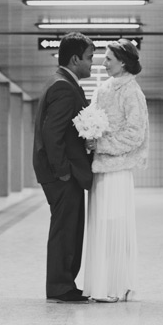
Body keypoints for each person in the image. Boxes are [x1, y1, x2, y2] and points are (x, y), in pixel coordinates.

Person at [83, 38, 149, 303]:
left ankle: (117, 285)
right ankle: (100, 285)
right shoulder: (102, 89)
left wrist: (102, 143)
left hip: (118, 171)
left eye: (109, 58)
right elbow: (92, 118)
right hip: (99, 170)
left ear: (123, 61)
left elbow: (135, 134)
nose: (103, 62)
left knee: (115, 226)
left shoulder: (132, 91)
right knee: (100, 226)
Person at [32, 31, 95, 304]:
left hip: (65, 172)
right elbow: (52, 133)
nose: (92, 64)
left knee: (69, 228)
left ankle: (64, 283)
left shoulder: (64, 83)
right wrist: (63, 172)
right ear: (74, 59)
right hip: (62, 174)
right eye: (90, 58)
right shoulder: (63, 87)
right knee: (65, 229)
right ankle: (60, 286)